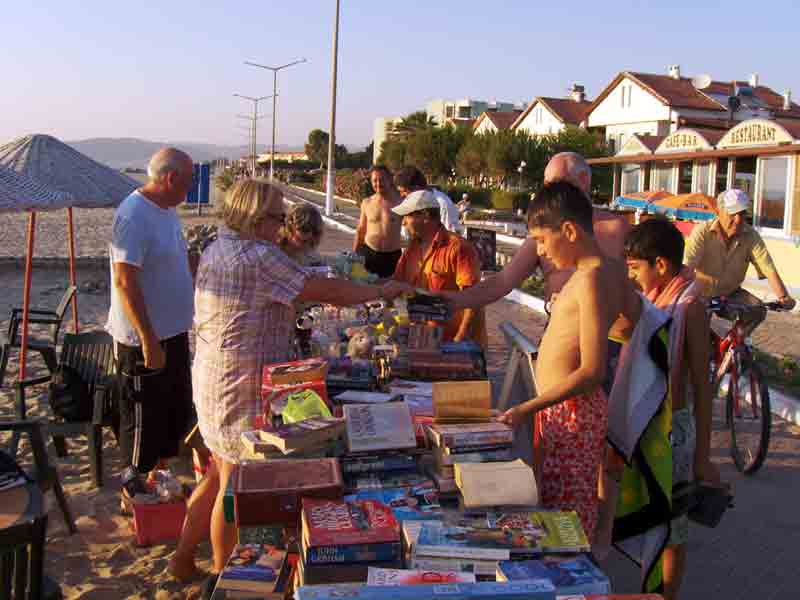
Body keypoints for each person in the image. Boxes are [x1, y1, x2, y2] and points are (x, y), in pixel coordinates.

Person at [170, 179, 410, 582]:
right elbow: (324, 289)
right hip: (240, 380)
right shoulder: (259, 255)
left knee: (217, 471)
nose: (282, 228)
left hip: (214, 372)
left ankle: (181, 559)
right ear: (254, 217)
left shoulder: (219, 245)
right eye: (277, 218)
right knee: (234, 486)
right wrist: (381, 290)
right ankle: (225, 579)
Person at [497, 180, 641, 538]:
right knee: (557, 509)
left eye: (543, 241)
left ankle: (579, 588)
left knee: (566, 521)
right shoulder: (606, 271)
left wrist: (527, 407)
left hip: (571, 413)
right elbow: (633, 321)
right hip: (563, 410)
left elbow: (592, 371)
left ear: (569, 230)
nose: (541, 252)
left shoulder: (591, 279)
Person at [623, 217, 723, 600]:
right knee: (649, 522)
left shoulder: (689, 308)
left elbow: (701, 385)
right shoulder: (655, 300)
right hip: (648, 426)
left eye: (635, 269)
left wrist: (702, 457)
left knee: (671, 532)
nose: (632, 277)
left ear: (660, 265)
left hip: (673, 434)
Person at [107, 148, 196, 502]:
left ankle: (156, 484)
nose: (190, 189)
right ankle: (135, 496)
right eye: (188, 181)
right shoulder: (133, 216)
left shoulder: (167, 210)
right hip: (143, 339)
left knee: (171, 416)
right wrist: (148, 339)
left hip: (173, 333)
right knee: (142, 422)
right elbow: (125, 282)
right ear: (170, 178)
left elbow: (177, 261)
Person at [445, 152, 631, 310]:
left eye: (556, 184)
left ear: (583, 180)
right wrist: (447, 300)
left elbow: (642, 290)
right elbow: (502, 282)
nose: (548, 194)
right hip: (559, 329)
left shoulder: (618, 229)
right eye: (546, 185)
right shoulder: (543, 237)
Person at [684, 188, 795, 333]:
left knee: (758, 310)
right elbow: (688, 266)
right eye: (732, 214)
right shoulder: (702, 232)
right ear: (718, 212)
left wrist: (784, 297)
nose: (738, 220)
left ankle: (734, 344)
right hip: (701, 293)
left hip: (731, 293)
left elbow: (768, 267)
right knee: (697, 333)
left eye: (742, 214)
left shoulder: (751, 235)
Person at [392, 189, 487, 349]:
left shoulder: (458, 248)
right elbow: (398, 285)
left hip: (454, 344)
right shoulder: (412, 248)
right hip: (422, 340)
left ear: (425, 216)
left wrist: (458, 341)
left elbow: (474, 301)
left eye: (407, 216)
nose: (403, 222)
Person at [353, 165, 403, 277]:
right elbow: (360, 231)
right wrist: (354, 256)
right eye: (374, 180)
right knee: (367, 290)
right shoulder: (367, 202)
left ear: (390, 180)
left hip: (392, 257)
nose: (378, 184)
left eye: (382, 180)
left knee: (391, 291)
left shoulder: (401, 203)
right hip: (369, 255)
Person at [394, 166, 461, 233]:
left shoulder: (443, 204)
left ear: (416, 188)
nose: (401, 195)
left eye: (404, 191)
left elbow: (451, 237)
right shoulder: (406, 204)